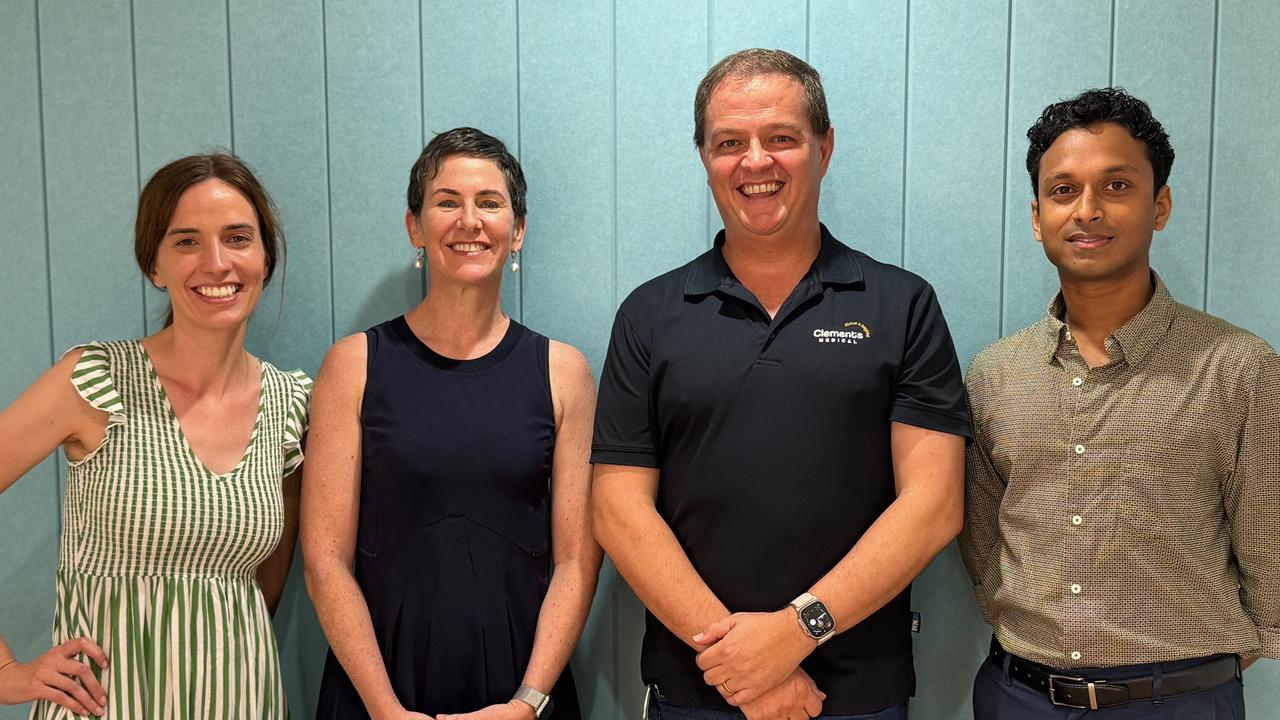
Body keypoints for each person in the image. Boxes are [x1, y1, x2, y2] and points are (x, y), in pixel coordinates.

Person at [591, 49, 970, 720]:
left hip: (854, 697)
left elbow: (933, 505)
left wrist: (795, 632)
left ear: (824, 150)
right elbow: (619, 510)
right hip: (695, 690)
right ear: (704, 157)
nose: (756, 162)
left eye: (782, 139)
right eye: (729, 143)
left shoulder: (901, 305)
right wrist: (745, 668)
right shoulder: (650, 315)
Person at [959, 87, 1278, 718]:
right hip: (1019, 696)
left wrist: (1202, 661)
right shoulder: (996, 374)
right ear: (1036, 216)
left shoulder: (1239, 367)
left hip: (1182, 697)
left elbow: (1269, 544)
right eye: (1063, 190)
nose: (1087, 211)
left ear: (1160, 205)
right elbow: (981, 534)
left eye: (1116, 187)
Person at [304, 127, 601, 720]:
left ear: (517, 230)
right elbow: (324, 559)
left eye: (489, 203)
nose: (470, 221)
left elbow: (576, 560)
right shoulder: (354, 366)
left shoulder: (563, 372)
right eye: (447, 201)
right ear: (415, 227)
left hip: (522, 695)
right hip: (379, 694)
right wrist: (385, 710)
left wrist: (528, 701)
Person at [0, 153, 311, 718]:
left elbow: (264, 588)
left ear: (265, 258)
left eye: (238, 238)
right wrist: (6, 674)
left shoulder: (291, 406)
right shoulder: (94, 379)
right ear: (155, 266)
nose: (217, 263)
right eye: (187, 241)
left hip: (243, 704)